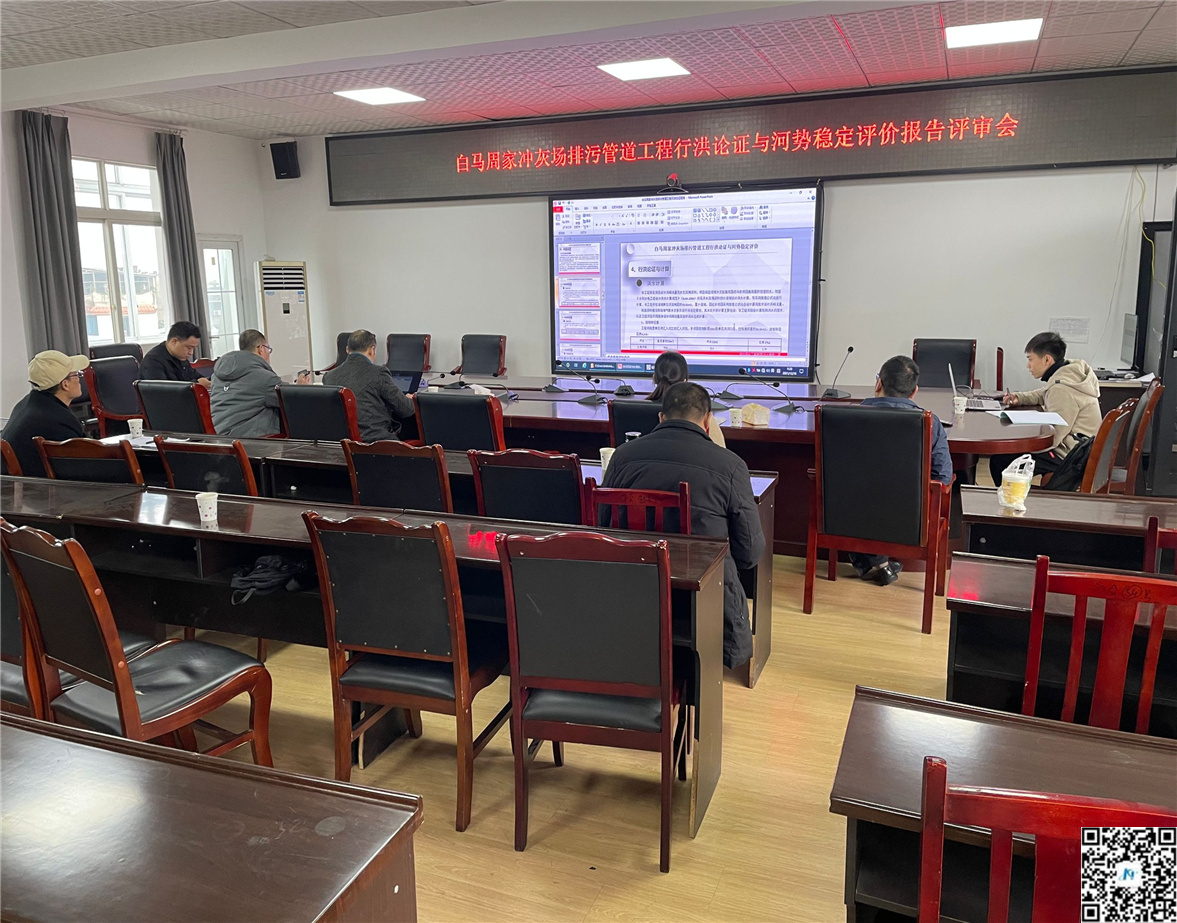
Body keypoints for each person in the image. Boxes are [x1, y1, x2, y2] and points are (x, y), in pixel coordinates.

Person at [602, 381, 763, 668]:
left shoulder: (621, 457)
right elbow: (750, 552)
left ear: (661, 417)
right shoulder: (730, 465)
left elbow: (603, 527)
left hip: (629, 593)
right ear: (708, 421)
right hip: (701, 600)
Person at [848, 356, 953, 586]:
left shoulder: (848, 417)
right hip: (909, 517)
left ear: (878, 383)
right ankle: (878, 564)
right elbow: (943, 478)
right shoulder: (930, 422)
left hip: (850, 513)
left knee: (865, 493)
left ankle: (875, 563)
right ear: (914, 392)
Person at [989, 332, 1101, 484]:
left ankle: (1013, 497)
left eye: (1030, 359)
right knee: (1006, 457)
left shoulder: (1062, 389)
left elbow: (1053, 437)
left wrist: (1020, 444)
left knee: (1001, 461)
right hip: (1081, 448)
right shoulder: (1069, 375)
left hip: (1072, 456)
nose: (1028, 365)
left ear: (1047, 359)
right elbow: (1044, 393)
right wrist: (1019, 397)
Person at [1, 350, 88, 478]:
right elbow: (85, 463)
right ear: (65, 384)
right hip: (37, 486)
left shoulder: (27, 404)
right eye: (77, 374)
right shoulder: (58, 420)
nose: (80, 379)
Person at [210, 329, 310, 437]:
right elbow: (293, 402)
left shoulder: (216, 376)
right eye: (268, 349)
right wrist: (301, 388)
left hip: (220, 440)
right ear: (261, 349)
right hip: (251, 442)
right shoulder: (265, 378)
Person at [322, 329, 414, 441]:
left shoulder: (329, 376)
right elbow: (406, 409)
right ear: (372, 350)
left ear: (347, 350)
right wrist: (410, 399)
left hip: (343, 443)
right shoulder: (379, 373)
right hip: (376, 442)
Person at [646, 350, 725, 447]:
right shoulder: (700, 415)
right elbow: (720, 450)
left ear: (654, 378)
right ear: (685, 381)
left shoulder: (636, 410)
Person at [139, 321, 211, 388]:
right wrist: (196, 384)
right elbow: (163, 391)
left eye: (193, 348)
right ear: (174, 341)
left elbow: (196, 376)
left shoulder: (181, 357)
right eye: (189, 347)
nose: (191, 353)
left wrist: (206, 381)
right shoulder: (152, 361)